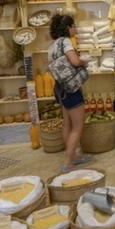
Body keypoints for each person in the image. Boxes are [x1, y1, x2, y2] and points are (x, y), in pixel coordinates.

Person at [48, 13, 92, 172]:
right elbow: (74, 61)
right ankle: (68, 162)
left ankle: (73, 157)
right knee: (78, 126)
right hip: (71, 89)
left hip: (60, 88)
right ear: (67, 28)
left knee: (67, 123)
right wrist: (84, 62)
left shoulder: (52, 46)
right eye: (73, 26)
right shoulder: (65, 41)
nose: (75, 29)